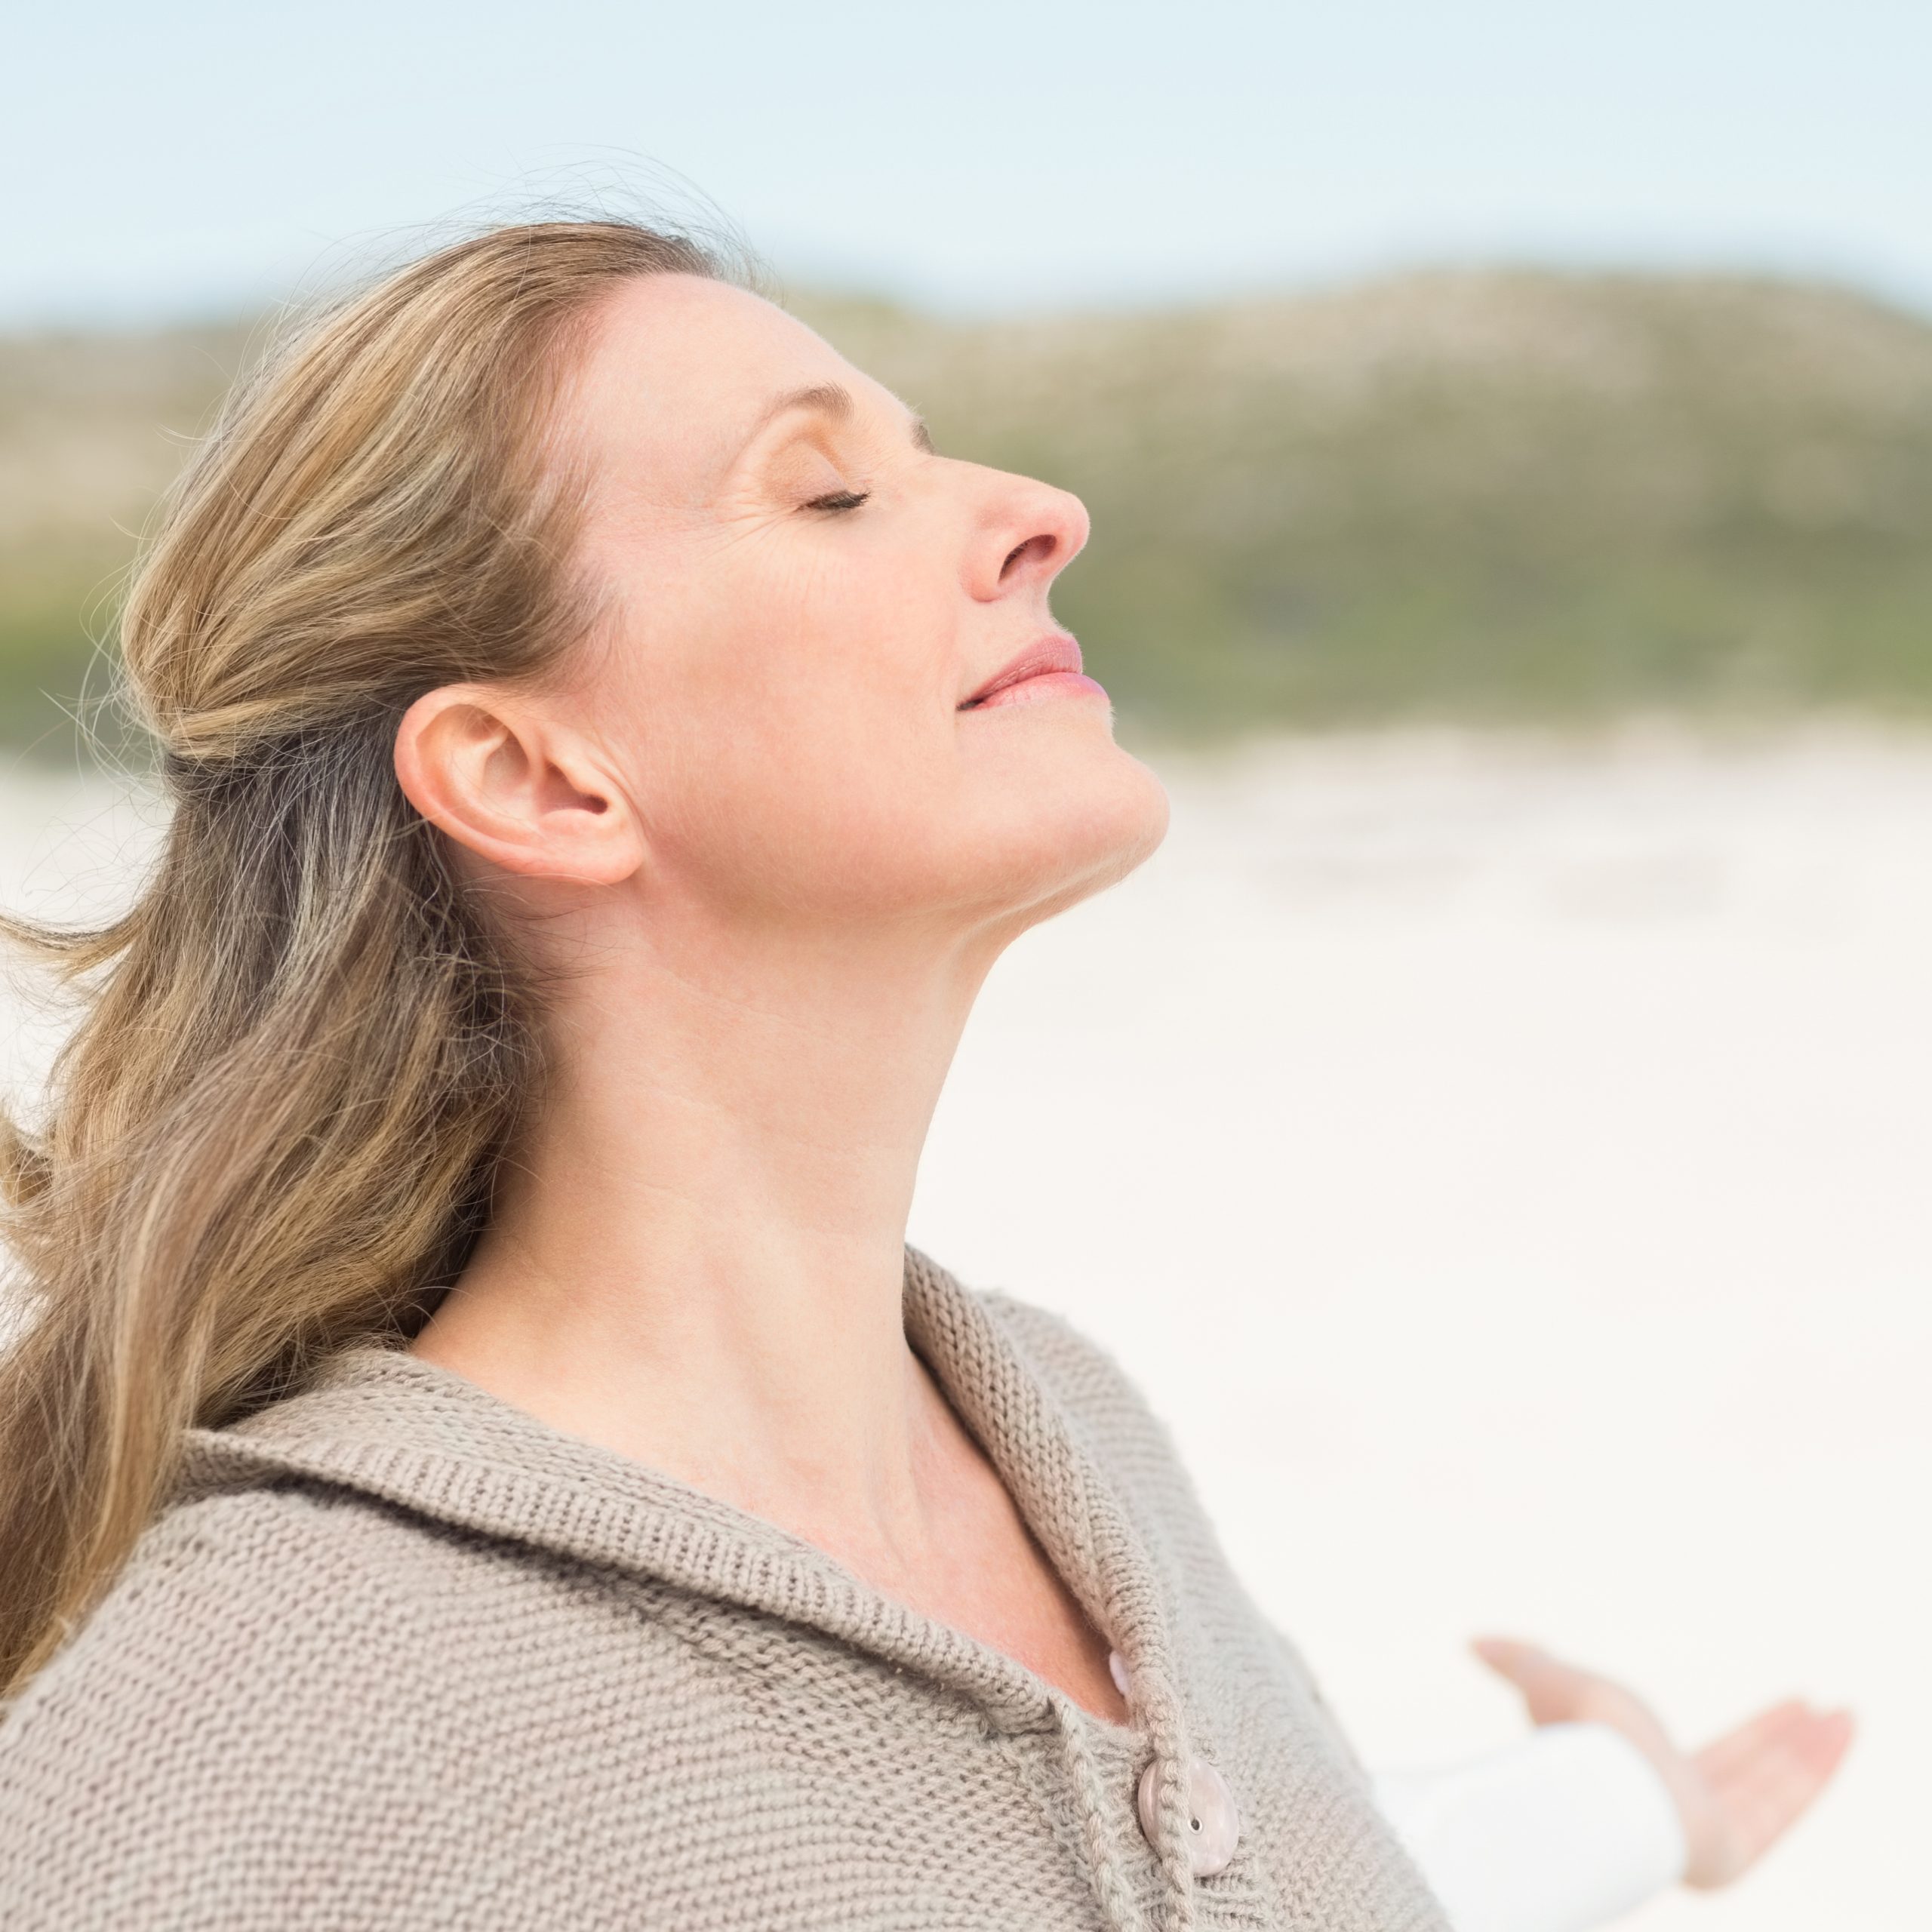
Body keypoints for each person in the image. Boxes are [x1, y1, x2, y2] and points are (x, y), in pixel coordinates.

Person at [0, 220, 1850, 1932]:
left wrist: (1611, 1806)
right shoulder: (231, 1727)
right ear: (537, 778)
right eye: (826, 490)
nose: (1042, 510)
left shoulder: (1074, 1437)